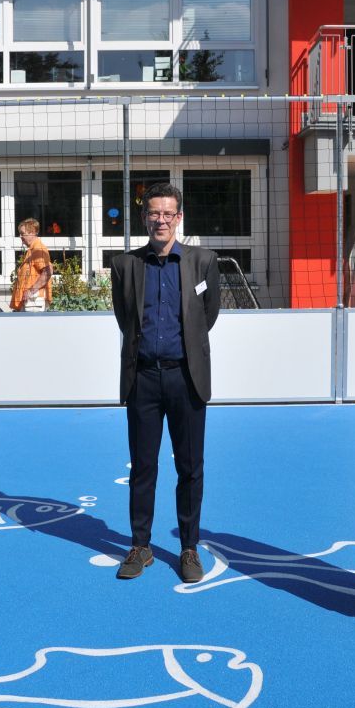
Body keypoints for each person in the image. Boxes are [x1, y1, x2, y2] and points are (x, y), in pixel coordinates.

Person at [109, 182, 221, 584]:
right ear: (145, 218)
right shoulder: (125, 266)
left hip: (186, 378)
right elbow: (126, 319)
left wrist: (180, 351)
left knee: (190, 468)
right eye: (154, 213)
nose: (161, 220)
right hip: (143, 379)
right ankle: (141, 546)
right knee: (143, 466)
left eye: (168, 213)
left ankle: (189, 547)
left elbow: (207, 317)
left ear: (179, 218)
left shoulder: (203, 262)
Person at [10, 217, 53, 312]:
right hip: (30, 301)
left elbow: (48, 271)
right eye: (20, 234)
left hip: (34, 301)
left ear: (32, 232)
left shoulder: (38, 249)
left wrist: (31, 290)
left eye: (22, 233)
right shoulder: (32, 250)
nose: (20, 236)